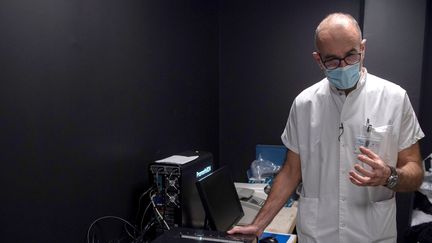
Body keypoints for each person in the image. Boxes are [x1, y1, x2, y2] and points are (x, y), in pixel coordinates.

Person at [228, 13, 425, 242]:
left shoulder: (394, 98)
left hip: (372, 235)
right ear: (318, 59)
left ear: (363, 49)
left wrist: (389, 176)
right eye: (332, 60)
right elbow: (291, 172)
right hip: (317, 235)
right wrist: (258, 225)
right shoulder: (305, 104)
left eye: (351, 56)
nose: (342, 67)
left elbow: (415, 171)